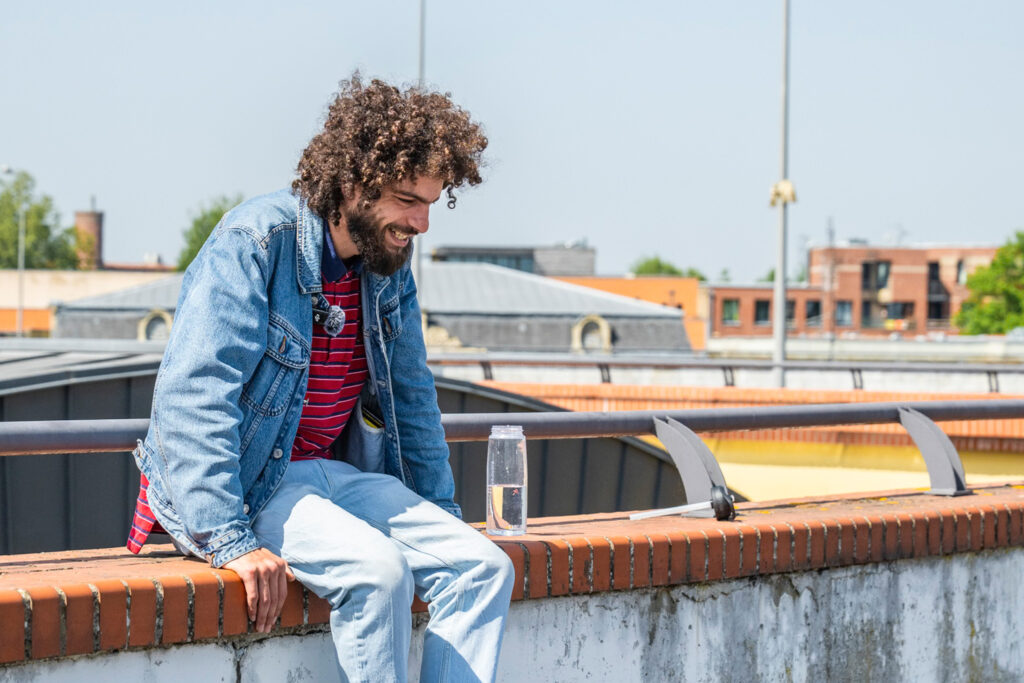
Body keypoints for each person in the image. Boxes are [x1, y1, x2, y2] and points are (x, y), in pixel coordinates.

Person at [126, 75, 515, 682]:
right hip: (254, 481)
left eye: (431, 203)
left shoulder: (388, 265)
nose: (421, 223)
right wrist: (229, 538)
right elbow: (194, 398)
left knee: (483, 569)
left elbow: (412, 399)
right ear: (354, 181)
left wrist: (438, 513)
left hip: (338, 476)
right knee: (378, 574)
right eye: (407, 199)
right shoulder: (256, 242)